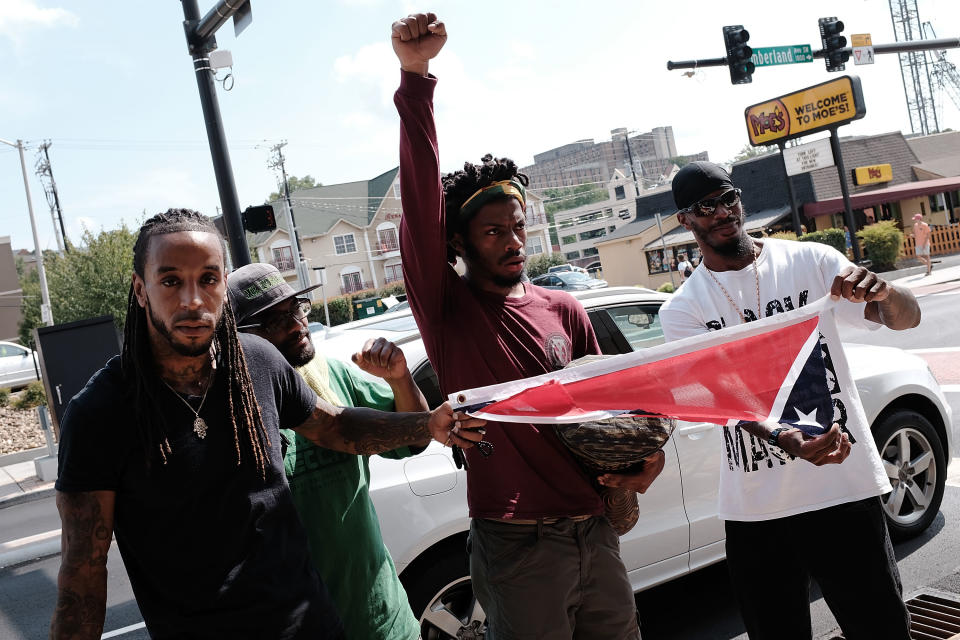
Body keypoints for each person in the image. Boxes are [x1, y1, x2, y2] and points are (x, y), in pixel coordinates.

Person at [51, 209, 482, 639]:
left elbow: (336, 427)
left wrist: (426, 424)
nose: (192, 301)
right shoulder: (100, 412)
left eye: (208, 278)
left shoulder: (257, 360)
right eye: (170, 281)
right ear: (140, 290)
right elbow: (83, 574)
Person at [391, 13, 664, 639]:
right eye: (494, 231)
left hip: (596, 531)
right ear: (459, 242)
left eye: (517, 226)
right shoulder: (450, 309)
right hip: (517, 543)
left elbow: (606, 407)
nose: (514, 241)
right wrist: (416, 79)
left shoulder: (565, 309)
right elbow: (419, 198)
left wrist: (640, 462)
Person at [659, 162, 921, 640]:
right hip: (757, 508)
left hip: (842, 488)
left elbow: (905, 317)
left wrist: (883, 290)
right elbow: (720, 397)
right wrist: (784, 436)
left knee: (881, 628)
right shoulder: (683, 310)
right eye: (705, 206)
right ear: (685, 220)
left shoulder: (810, 263)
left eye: (728, 197)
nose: (723, 212)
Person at [228, 262, 422, 640]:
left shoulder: (332, 374)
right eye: (273, 322)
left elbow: (415, 437)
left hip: (382, 620)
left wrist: (400, 377)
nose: (297, 326)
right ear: (241, 341)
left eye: (296, 309)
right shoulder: (235, 413)